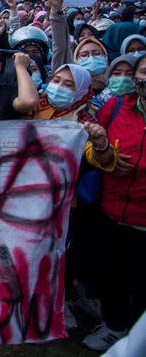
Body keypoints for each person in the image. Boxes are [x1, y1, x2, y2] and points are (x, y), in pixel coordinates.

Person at [81, 53, 146, 351]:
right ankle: (114, 326)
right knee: (110, 273)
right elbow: (92, 140)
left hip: (143, 220)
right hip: (108, 210)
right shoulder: (116, 106)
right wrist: (104, 151)